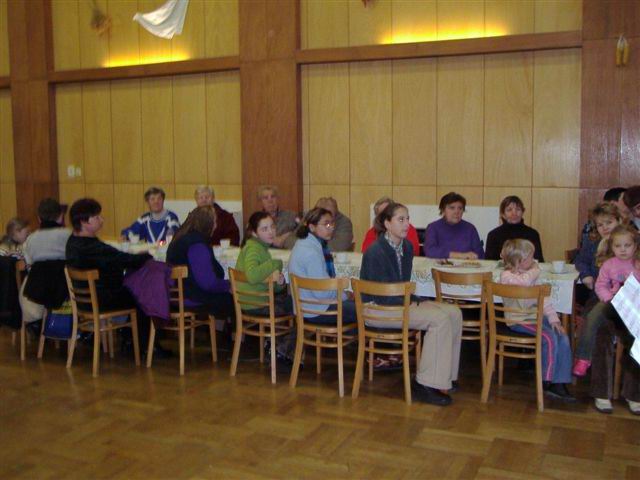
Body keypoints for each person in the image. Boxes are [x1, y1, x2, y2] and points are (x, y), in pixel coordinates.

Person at [360, 202, 463, 406]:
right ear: (387, 224)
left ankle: (444, 377)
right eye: (401, 219)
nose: (407, 224)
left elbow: (402, 284)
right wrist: (411, 303)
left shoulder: (406, 247)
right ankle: (425, 384)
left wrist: (412, 301)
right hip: (377, 308)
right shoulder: (375, 251)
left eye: (408, 219)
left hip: (397, 302)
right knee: (439, 319)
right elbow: (380, 295)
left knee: (454, 312)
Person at [66, 198, 168, 355]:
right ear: (84, 222)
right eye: (97, 217)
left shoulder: (73, 242)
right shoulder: (93, 247)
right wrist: (149, 254)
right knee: (144, 295)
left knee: (134, 290)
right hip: (103, 298)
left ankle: (130, 339)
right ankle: (145, 346)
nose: (102, 219)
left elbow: (115, 257)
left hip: (84, 299)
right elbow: (126, 260)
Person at [499, 239, 575, 401]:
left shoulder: (531, 275)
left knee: (561, 335)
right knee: (549, 337)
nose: (534, 260)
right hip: (518, 320)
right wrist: (535, 270)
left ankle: (559, 382)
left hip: (535, 317)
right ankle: (546, 379)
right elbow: (524, 282)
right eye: (530, 257)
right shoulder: (507, 276)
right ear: (519, 260)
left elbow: (544, 300)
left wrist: (554, 319)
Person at [573, 224, 640, 376]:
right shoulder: (609, 264)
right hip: (612, 300)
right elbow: (600, 285)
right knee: (592, 317)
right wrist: (609, 299)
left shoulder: (637, 264)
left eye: (627, 245)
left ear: (635, 246)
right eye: (618, 246)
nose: (623, 249)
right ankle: (584, 358)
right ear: (612, 247)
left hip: (634, 304)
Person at [235, 211, 293, 361]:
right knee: (301, 309)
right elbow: (252, 275)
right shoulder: (253, 248)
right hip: (255, 304)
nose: (271, 232)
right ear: (254, 233)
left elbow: (269, 285)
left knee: (291, 303)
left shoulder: (261, 248)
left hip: (257, 301)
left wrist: (279, 282)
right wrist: (276, 263)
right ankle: (281, 350)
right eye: (264, 229)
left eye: (272, 227)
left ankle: (274, 345)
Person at [289, 207, 356, 325]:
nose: (331, 228)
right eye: (326, 224)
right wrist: (345, 295)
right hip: (316, 310)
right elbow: (322, 292)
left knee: (356, 306)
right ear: (312, 227)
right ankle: (348, 337)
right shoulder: (311, 252)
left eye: (332, 224)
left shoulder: (303, 243)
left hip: (307, 307)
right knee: (362, 310)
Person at [166, 206, 234, 321]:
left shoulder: (179, 238)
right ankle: (235, 332)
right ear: (208, 224)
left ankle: (218, 330)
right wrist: (229, 285)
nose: (216, 226)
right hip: (191, 297)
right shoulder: (197, 245)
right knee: (236, 300)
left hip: (176, 294)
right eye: (215, 222)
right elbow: (208, 283)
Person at [20, 199, 71, 325]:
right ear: (61, 216)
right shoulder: (69, 235)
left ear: (39, 218)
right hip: (66, 292)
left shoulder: (31, 239)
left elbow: (28, 263)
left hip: (38, 292)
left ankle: (39, 325)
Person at [574, 202, 621, 307]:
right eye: (600, 225)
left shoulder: (628, 242)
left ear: (618, 222)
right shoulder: (593, 243)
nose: (605, 228)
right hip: (598, 296)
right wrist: (585, 274)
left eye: (609, 222)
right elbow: (580, 260)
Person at [590, 317, 640, 415]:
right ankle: (601, 392)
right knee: (603, 327)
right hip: (603, 311)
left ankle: (634, 393)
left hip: (630, 311)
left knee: (638, 328)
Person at [424, 192, 484, 259]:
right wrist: (459, 255)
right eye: (452, 208)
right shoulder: (433, 228)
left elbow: (480, 255)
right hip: (440, 265)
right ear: (443, 210)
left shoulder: (470, 229)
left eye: (460, 208)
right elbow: (430, 251)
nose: (456, 212)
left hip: (466, 265)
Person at [485, 196, 544, 262]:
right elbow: (489, 262)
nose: (514, 213)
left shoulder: (533, 234)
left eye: (518, 209)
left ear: (522, 212)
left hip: (528, 268)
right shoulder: (493, 235)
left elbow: (539, 261)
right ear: (503, 214)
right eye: (509, 210)